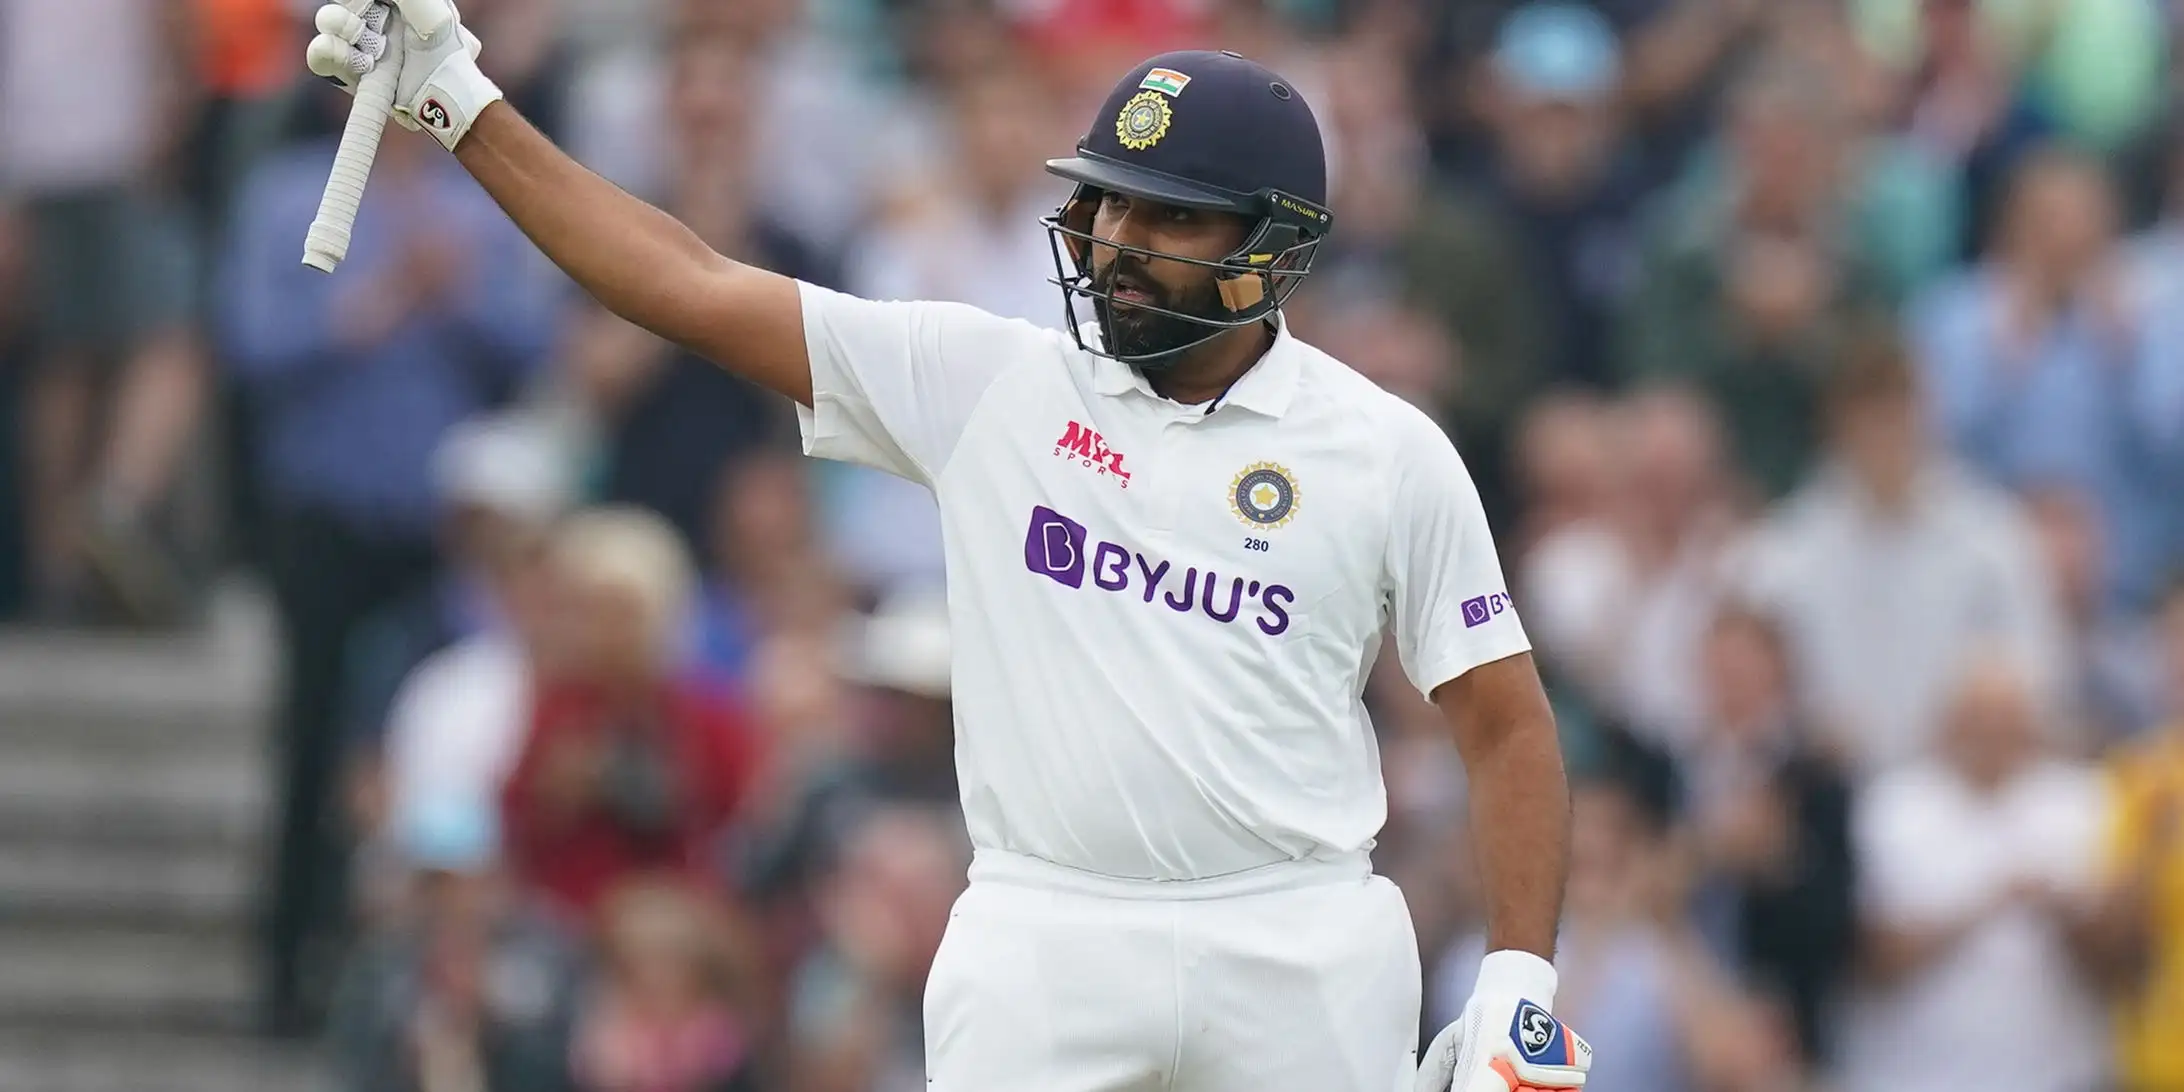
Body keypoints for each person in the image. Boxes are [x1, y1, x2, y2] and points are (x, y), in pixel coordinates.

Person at [304, 15, 1587, 1092]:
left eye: (1171, 219)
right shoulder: (988, 384)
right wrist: (458, 101)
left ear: (1274, 247)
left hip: (1299, 936)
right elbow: (684, 283)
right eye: (1108, 201)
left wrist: (1519, 981)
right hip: (1046, 926)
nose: (1117, 244)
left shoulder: (1386, 451)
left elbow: (1506, 725)